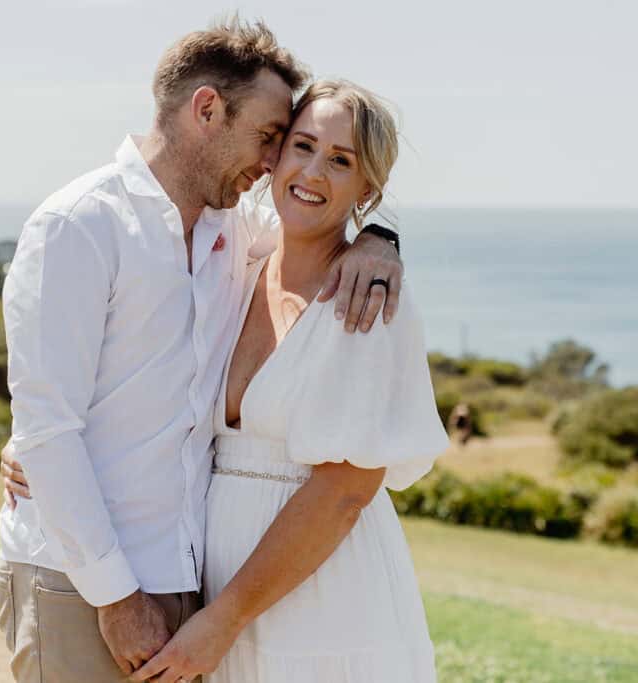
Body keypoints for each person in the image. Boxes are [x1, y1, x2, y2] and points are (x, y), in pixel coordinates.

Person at [0, 19, 405, 683]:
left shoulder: (234, 229)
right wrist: (116, 596)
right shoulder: (80, 224)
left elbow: (321, 220)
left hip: (187, 583)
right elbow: (48, 427)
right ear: (207, 109)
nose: (274, 162)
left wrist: (378, 240)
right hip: (79, 580)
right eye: (270, 136)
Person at [126, 80, 450, 682]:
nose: (313, 171)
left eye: (341, 161)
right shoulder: (238, 261)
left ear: (367, 190)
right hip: (215, 590)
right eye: (303, 145)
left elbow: (345, 492)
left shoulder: (369, 306)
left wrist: (222, 620)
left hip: (323, 598)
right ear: (275, 154)